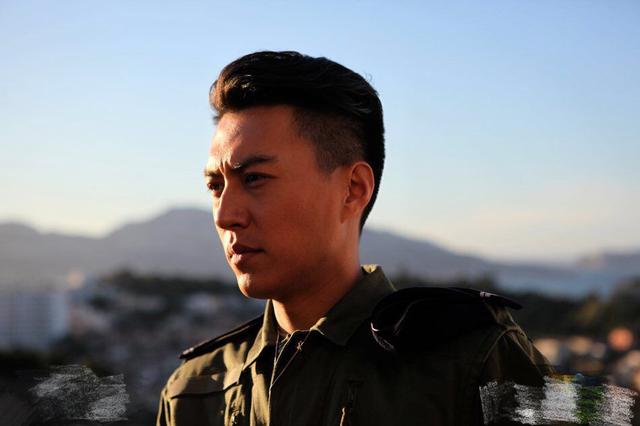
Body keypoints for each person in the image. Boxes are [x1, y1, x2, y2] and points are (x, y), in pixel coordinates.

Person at [156, 51, 553, 426]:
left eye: (255, 178)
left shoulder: (470, 364)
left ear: (353, 189)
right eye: (215, 186)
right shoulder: (195, 392)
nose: (225, 215)